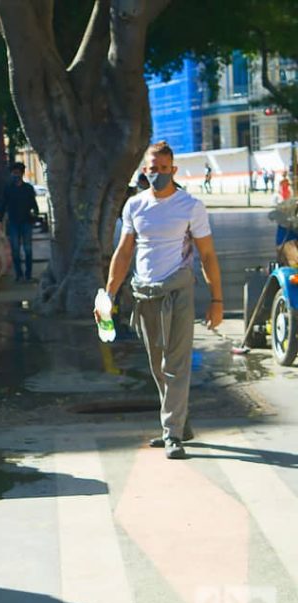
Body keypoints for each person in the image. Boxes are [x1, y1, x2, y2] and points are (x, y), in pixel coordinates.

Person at [98, 140, 223, 460]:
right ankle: (182, 422)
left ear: (174, 170)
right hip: (145, 294)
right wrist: (109, 295)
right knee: (157, 364)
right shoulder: (134, 206)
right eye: (153, 170)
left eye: (164, 170)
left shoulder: (190, 206)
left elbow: (207, 255)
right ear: (145, 171)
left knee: (175, 364)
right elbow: (124, 252)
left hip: (179, 291)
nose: (159, 175)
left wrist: (216, 301)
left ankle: (172, 434)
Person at [0, 162, 39, 282]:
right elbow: (3, 205)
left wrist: (35, 214)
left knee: (28, 249)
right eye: (13, 173)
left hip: (26, 221)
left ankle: (28, 275)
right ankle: (19, 275)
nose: (15, 175)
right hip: (13, 222)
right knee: (15, 250)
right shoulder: (8, 189)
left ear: (22, 174)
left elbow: (33, 204)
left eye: (17, 173)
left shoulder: (28, 188)